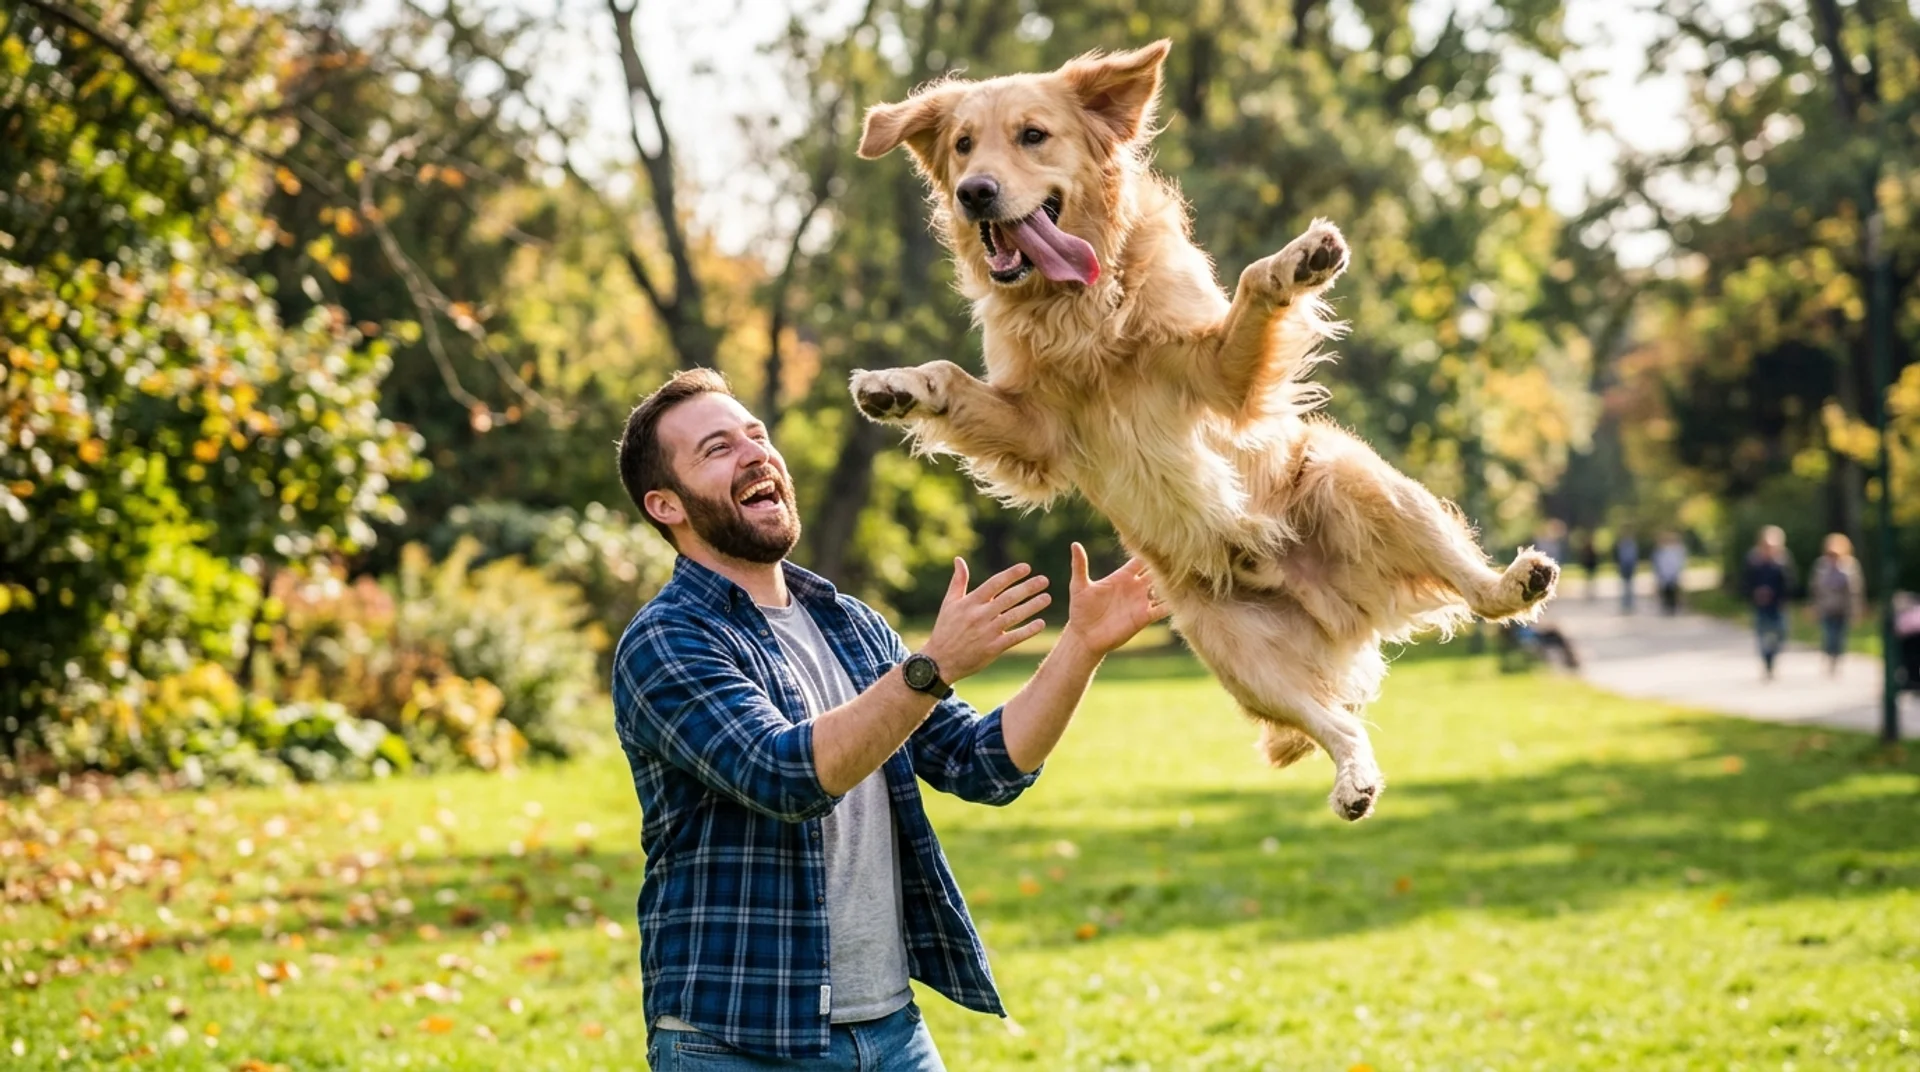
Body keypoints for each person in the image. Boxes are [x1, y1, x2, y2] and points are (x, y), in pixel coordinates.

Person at [610, 369, 1166, 1070]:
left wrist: (1081, 645)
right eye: (717, 449)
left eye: (757, 434)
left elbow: (984, 764)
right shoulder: (668, 640)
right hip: (739, 1041)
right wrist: (931, 668)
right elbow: (786, 775)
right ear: (666, 505)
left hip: (890, 1029)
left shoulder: (846, 623)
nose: (756, 455)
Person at [1742, 525, 1796, 681]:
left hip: (1778, 605)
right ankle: (1767, 661)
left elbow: (1790, 583)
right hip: (1760, 606)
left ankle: (1773, 657)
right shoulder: (1753, 561)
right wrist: (1755, 594)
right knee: (1762, 635)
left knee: (1781, 634)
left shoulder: (1783, 561)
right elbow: (1745, 583)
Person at [1810, 532, 1865, 678]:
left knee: (1840, 636)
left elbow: (1854, 591)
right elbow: (1815, 588)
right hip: (1827, 607)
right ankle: (1829, 657)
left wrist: (1855, 611)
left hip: (1842, 608)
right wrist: (1814, 606)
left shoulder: (1850, 566)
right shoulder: (1821, 566)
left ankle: (1837, 659)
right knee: (1828, 636)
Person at [1651, 532, 1687, 616]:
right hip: (1665, 574)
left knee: (1673, 591)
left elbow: (1677, 563)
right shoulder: (1661, 552)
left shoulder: (1674, 551)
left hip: (1672, 574)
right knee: (1666, 591)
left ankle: (1672, 607)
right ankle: (1667, 606)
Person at [1614, 531, 1640, 613]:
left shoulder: (1632, 546)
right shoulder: (1622, 546)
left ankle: (1630, 604)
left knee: (1629, 587)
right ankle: (1625, 605)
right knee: (1625, 587)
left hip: (1630, 568)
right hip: (1624, 568)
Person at [1577, 531, 1600, 601]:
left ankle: (1591, 593)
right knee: (1588, 581)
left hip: (1591, 565)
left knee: (1591, 581)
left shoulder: (1592, 549)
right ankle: (1588, 593)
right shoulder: (1586, 549)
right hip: (1588, 565)